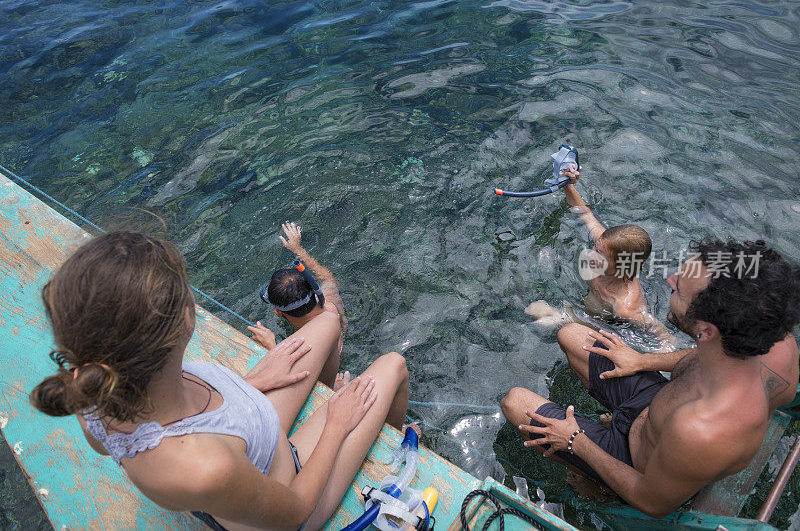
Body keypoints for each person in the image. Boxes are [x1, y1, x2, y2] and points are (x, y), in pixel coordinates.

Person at [30, 231, 410, 531]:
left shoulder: (93, 387)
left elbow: (195, 421)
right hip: (288, 490)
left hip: (251, 440)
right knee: (393, 365)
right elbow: (294, 510)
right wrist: (337, 424)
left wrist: (250, 383)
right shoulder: (205, 468)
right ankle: (393, 437)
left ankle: (342, 405)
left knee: (327, 321)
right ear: (184, 321)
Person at [502, 239, 800, 518]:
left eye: (679, 289)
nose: (670, 281)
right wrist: (640, 360)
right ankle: (610, 422)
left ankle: (602, 486)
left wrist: (576, 442)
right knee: (572, 336)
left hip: (639, 465)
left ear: (706, 331)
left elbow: (651, 502)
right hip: (655, 412)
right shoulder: (756, 340)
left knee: (515, 403)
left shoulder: (702, 429)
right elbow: (694, 358)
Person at [525, 167, 675, 351]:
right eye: (595, 248)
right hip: (590, 301)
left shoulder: (625, 307)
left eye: (599, 255)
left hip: (601, 320)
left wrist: (645, 362)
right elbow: (584, 213)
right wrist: (567, 185)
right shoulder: (608, 245)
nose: (589, 254)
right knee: (534, 310)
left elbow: (665, 338)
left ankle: (561, 317)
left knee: (539, 316)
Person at [249, 222, 348, 389]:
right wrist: (298, 249)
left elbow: (302, 380)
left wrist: (271, 347)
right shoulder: (330, 302)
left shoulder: (303, 345)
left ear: (278, 313)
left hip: (329, 372)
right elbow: (327, 277)